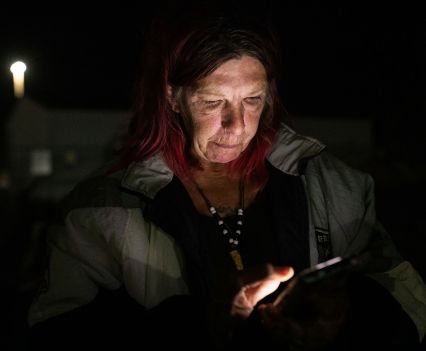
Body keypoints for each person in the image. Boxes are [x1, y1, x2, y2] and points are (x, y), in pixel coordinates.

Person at [25, 7, 426, 351]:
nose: (236, 125)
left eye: (252, 100)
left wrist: (346, 320)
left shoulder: (335, 186)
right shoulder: (100, 211)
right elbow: (52, 334)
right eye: (212, 102)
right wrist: (202, 322)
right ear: (172, 98)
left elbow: (407, 302)